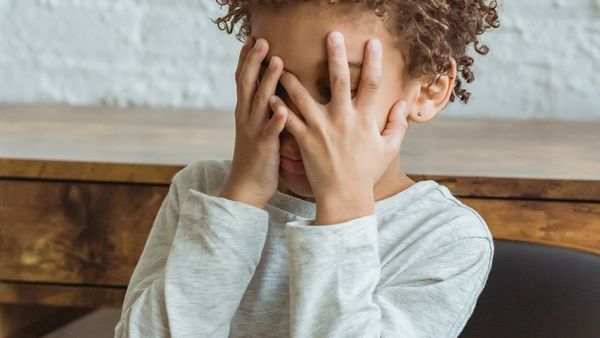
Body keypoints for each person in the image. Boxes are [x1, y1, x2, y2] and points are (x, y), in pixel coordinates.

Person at [115, 1, 500, 337]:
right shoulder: (205, 191)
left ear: (429, 89)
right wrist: (243, 194)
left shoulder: (446, 239)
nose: (292, 117)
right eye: (275, 83)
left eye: (337, 89)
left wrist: (343, 203)